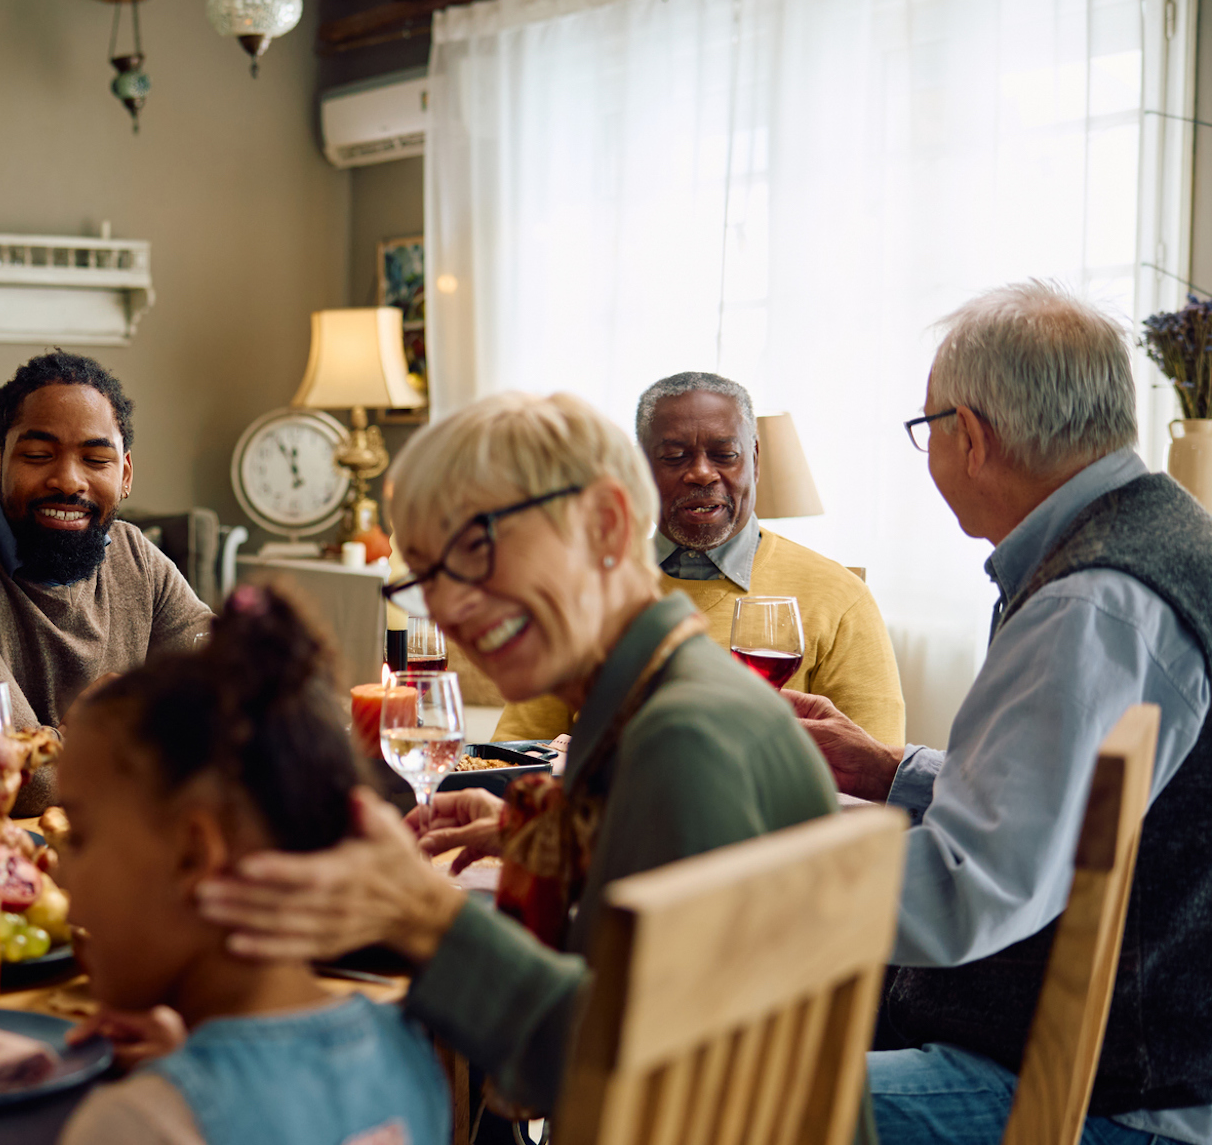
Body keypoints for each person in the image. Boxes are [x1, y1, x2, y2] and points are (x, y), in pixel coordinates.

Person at [194, 391, 838, 1115]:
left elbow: (624, 1088)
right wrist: (552, 828)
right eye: (426, 577)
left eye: (475, 548)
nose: (449, 607)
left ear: (606, 523)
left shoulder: (683, 742)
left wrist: (423, 917)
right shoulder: (673, 696)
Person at [780, 283, 1212, 1144]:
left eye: (925, 428)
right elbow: (1068, 807)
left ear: (968, 436)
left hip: (1110, 1092)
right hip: (1150, 1051)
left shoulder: (1089, 604)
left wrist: (737, 871)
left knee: (688, 1089)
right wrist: (893, 771)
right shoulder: (1165, 536)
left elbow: (963, 895)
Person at [0, 586, 450, 1145]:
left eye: (79, 837)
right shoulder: (410, 1050)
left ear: (194, 854)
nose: (57, 873)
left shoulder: (144, 1121)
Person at [0, 351, 212, 814]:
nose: (68, 480)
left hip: (89, 850)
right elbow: (17, 785)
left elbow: (237, 700)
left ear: (124, 475)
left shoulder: (135, 556)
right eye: (38, 455)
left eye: (95, 458)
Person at [494, 371, 905, 745]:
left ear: (756, 461)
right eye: (674, 457)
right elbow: (514, 757)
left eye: (725, 455)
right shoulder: (580, 591)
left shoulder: (840, 599)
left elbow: (873, 787)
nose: (702, 474)